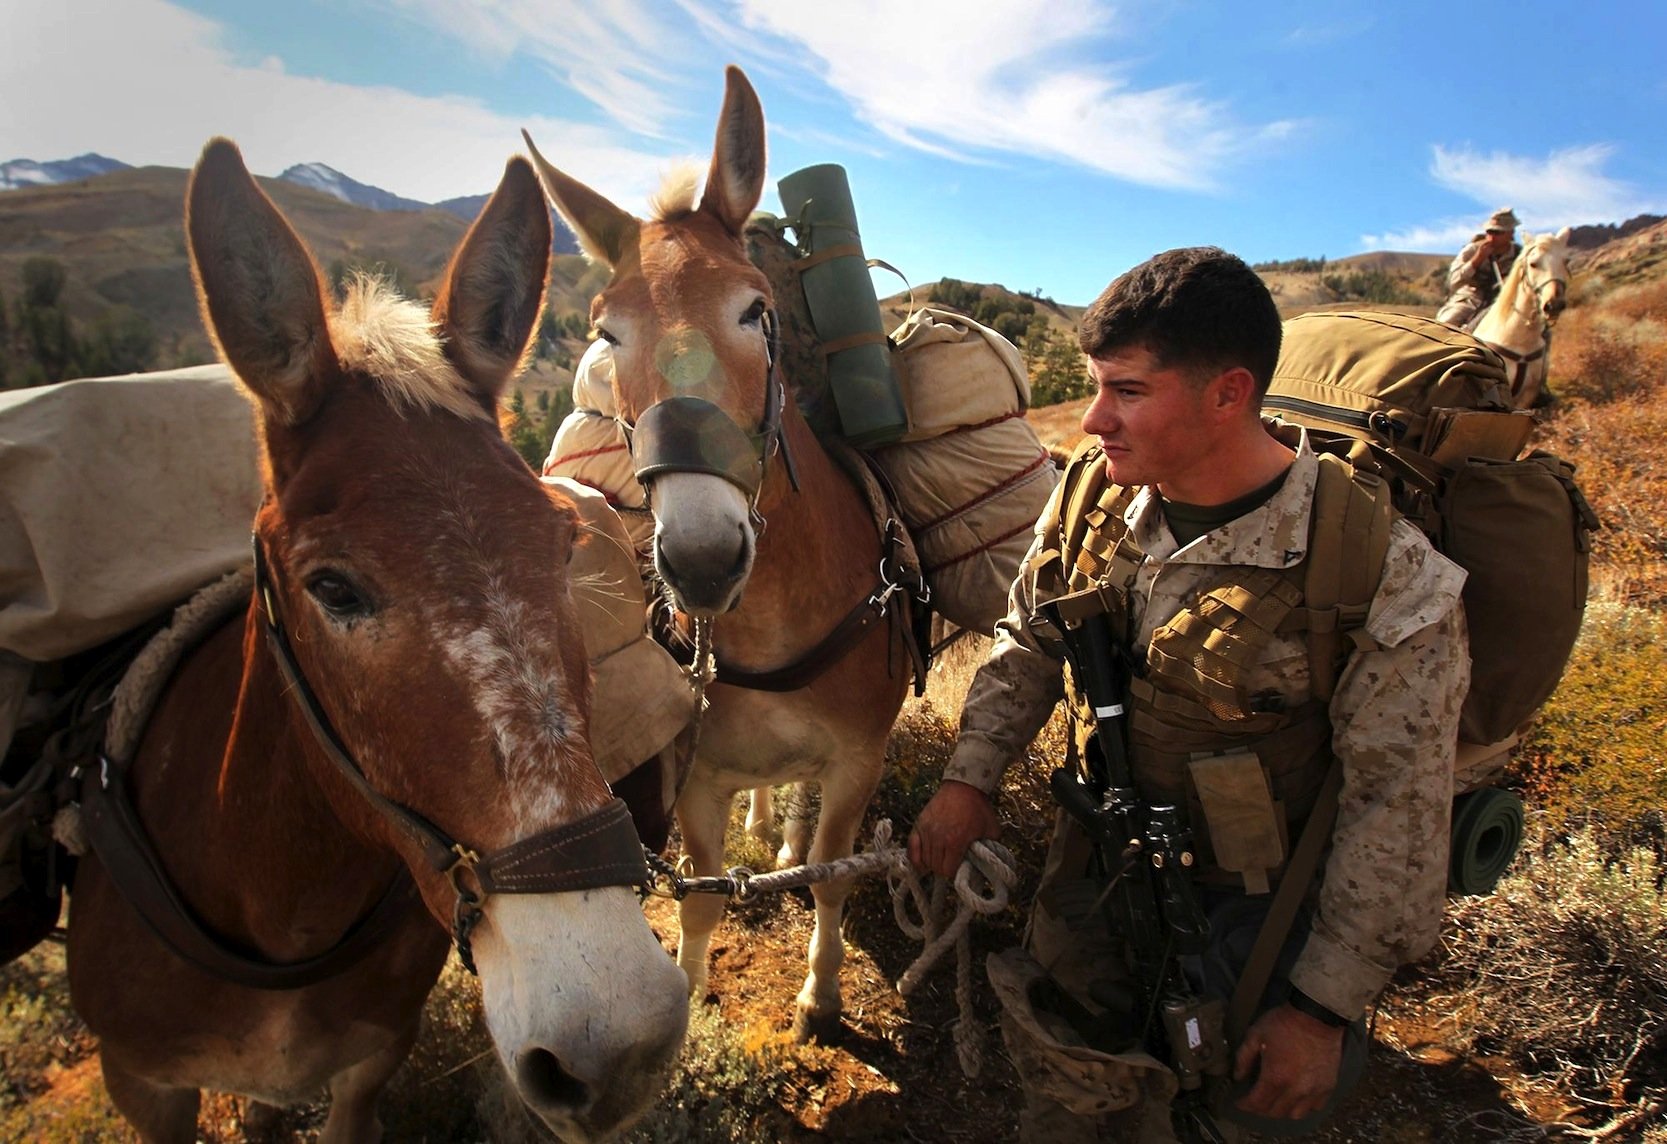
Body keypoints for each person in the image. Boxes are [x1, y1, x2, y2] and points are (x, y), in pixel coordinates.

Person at [908, 247, 1470, 1142]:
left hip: (1259, 920)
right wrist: (968, 779)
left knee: (1225, 1115)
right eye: (1096, 388)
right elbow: (1028, 639)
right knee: (1069, 1082)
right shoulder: (1094, 498)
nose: (1093, 420)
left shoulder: (1378, 571)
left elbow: (1396, 806)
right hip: (1099, 865)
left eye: (1127, 391)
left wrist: (1321, 1010)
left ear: (1227, 394)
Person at [1436, 207, 1521, 330]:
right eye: (1489, 232)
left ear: (1511, 233)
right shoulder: (1472, 250)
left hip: (1504, 302)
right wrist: (1477, 260)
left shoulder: (1519, 255)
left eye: (1498, 232)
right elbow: (1453, 281)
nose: (1492, 237)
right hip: (1470, 299)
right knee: (1445, 325)